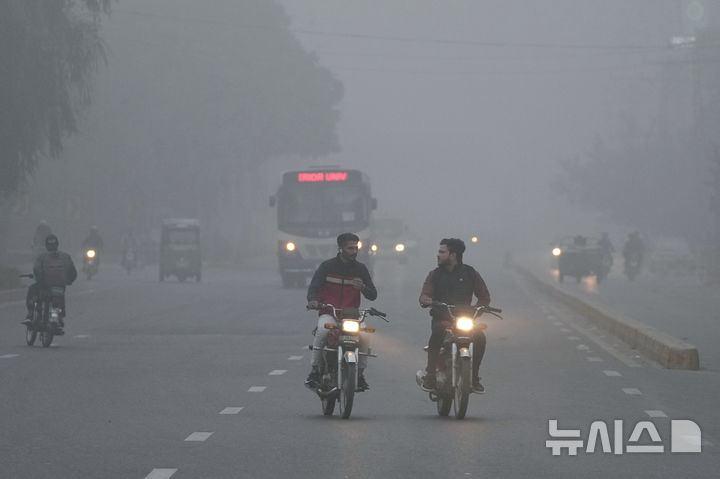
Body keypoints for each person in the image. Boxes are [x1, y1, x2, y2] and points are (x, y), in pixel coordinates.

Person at [305, 233, 378, 391]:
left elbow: (373, 294)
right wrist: (313, 300)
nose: (354, 251)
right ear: (340, 248)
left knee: (365, 335)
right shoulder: (327, 267)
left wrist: (363, 288)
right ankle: (315, 370)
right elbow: (314, 287)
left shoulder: (361, 269)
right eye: (350, 248)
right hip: (329, 313)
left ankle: (359, 374)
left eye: (356, 248)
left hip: (352, 316)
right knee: (323, 331)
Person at [419, 238, 491, 393]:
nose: (438, 255)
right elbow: (425, 294)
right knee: (437, 333)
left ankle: (474, 378)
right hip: (443, 319)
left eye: (442, 252)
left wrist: (479, 308)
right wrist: (426, 299)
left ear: (453, 255)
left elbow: (484, 297)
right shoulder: (434, 275)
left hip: (465, 320)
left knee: (480, 337)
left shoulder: (471, 273)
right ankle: (430, 375)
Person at [22, 234, 77, 333]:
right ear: (57, 244)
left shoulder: (41, 257)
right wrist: (68, 281)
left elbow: (36, 269)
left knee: (33, 291)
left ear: (46, 245)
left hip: (44, 286)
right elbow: (73, 272)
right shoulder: (66, 256)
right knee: (58, 302)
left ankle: (30, 315)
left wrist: (40, 281)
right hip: (60, 286)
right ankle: (57, 319)